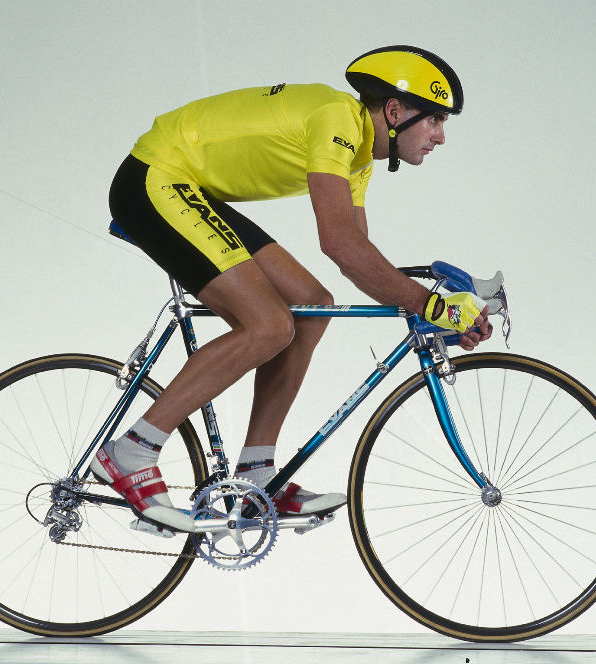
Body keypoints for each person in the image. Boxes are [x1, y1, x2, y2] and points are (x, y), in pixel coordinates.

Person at [91, 45, 492, 532]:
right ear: (394, 111)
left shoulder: (360, 159)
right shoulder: (337, 120)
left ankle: (256, 476)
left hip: (189, 188)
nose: (441, 137)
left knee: (312, 306)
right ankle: (131, 451)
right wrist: (434, 305)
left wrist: (433, 309)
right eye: (434, 120)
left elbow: (360, 260)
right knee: (268, 325)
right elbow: (340, 244)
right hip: (156, 179)